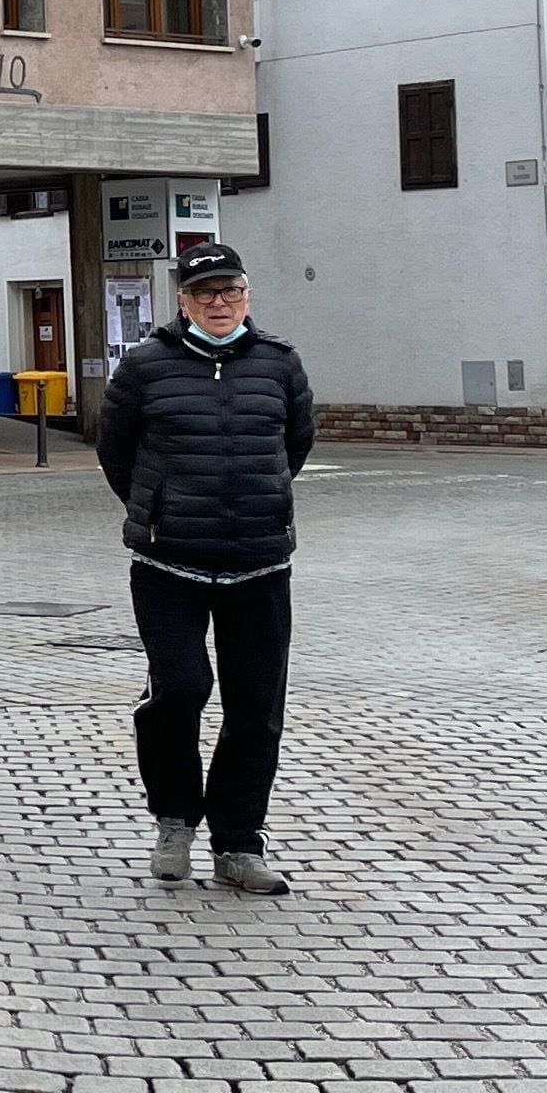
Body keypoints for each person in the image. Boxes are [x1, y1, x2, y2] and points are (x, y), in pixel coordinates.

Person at [93, 242, 314, 895]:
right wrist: (160, 511)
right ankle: (175, 820)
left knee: (255, 708)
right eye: (206, 293)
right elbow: (116, 451)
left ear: (247, 295)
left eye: (232, 291)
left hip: (259, 565)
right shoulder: (144, 366)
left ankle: (239, 844)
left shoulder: (279, 363)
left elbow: (294, 444)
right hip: (169, 566)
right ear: (182, 300)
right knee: (182, 688)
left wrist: (259, 503)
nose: (220, 303)